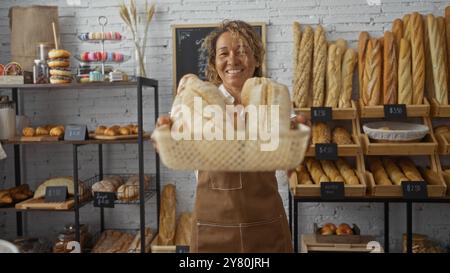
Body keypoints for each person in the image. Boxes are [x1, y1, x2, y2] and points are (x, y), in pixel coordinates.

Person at [155, 20, 306, 253]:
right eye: (223, 53)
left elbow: (293, 151)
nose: (232, 60)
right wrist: (166, 137)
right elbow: (177, 139)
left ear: (256, 60)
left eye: (243, 52)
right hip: (212, 230)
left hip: (265, 229)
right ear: (214, 63)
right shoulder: (198, 103)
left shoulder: (272, 99)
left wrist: (298, 145)